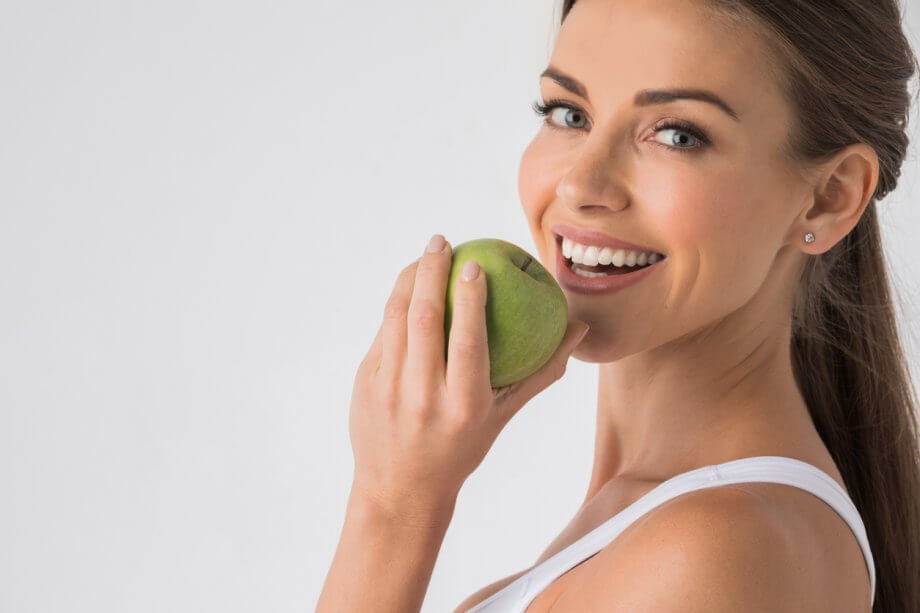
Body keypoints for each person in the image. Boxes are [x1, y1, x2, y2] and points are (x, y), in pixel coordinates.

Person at [317, 0, 920, 611]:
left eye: (677, 134)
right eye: (569, 112)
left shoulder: (717, 549)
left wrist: (391, 507)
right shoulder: (669, 524)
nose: (581, 186)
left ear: (829, 198)